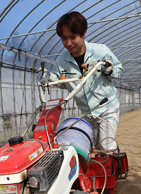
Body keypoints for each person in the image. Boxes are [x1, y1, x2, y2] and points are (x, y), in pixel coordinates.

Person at [46, 11, 123, 152]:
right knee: (87, 147)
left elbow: (118, 70)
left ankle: (112, 166)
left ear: (83, 33)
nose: (68, 43)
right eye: (64, 38)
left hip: (107, 107)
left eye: (73, 37)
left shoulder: (101, 51)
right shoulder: (61, 61)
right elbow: (65, 83)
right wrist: (50, 78)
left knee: (105, 147)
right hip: (86, 112)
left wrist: (108, 70)